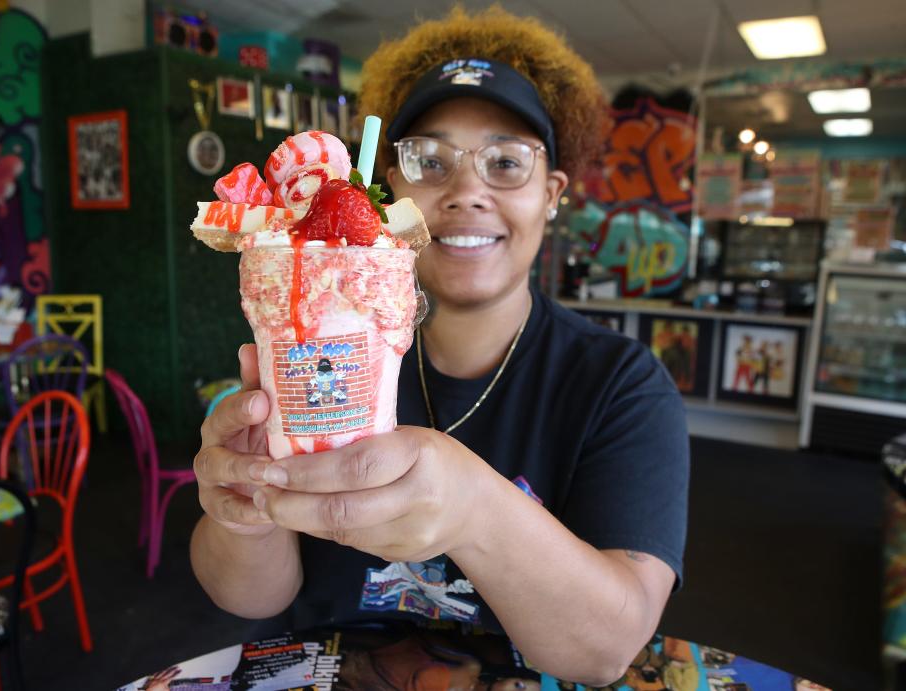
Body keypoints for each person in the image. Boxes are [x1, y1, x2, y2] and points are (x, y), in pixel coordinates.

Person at [190, 6, 689, 687]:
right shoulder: (315, 349)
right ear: (386, 188)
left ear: (552, 194)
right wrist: (243, 512)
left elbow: (605, 650)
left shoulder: (621, 383)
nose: (465, 192)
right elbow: (248, 597)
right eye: (429, 159)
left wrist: (475, 507)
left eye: (507, 162)